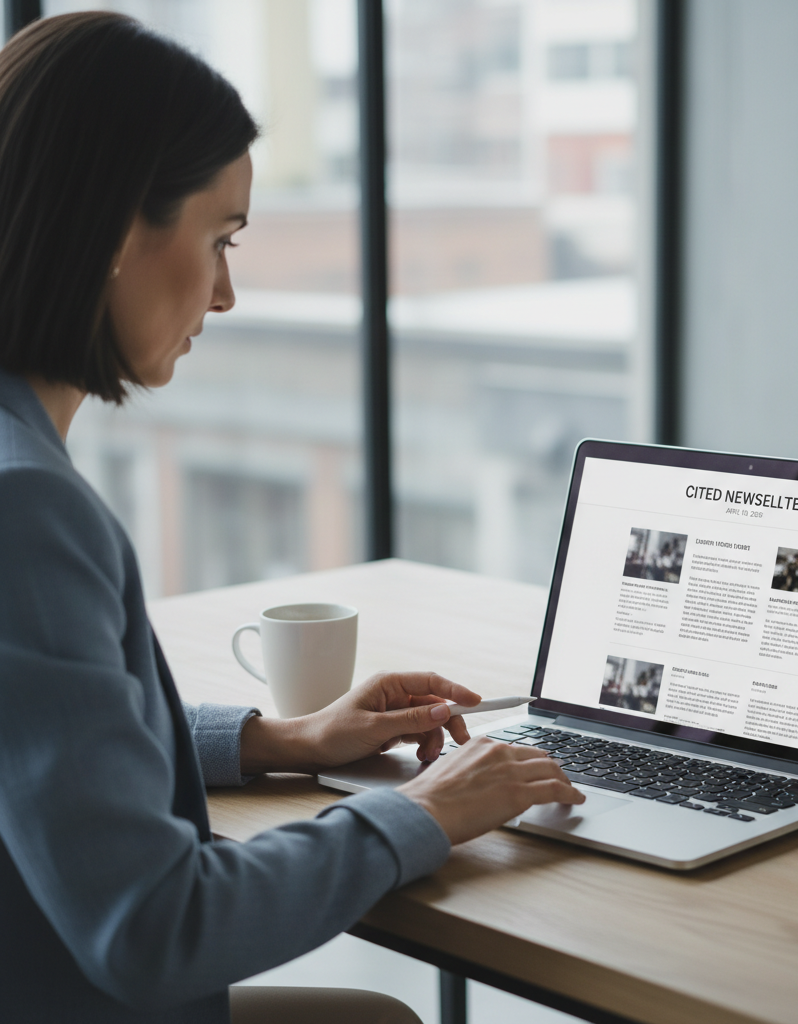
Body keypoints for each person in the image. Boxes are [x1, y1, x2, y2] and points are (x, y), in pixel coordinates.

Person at [0, 13, 584, 1023]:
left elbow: (51, 735)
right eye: (218, 239)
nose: (225, 293)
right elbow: (154, 926)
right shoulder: (26, 508)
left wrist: (278, 737)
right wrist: (420, 811)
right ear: (110, 232)